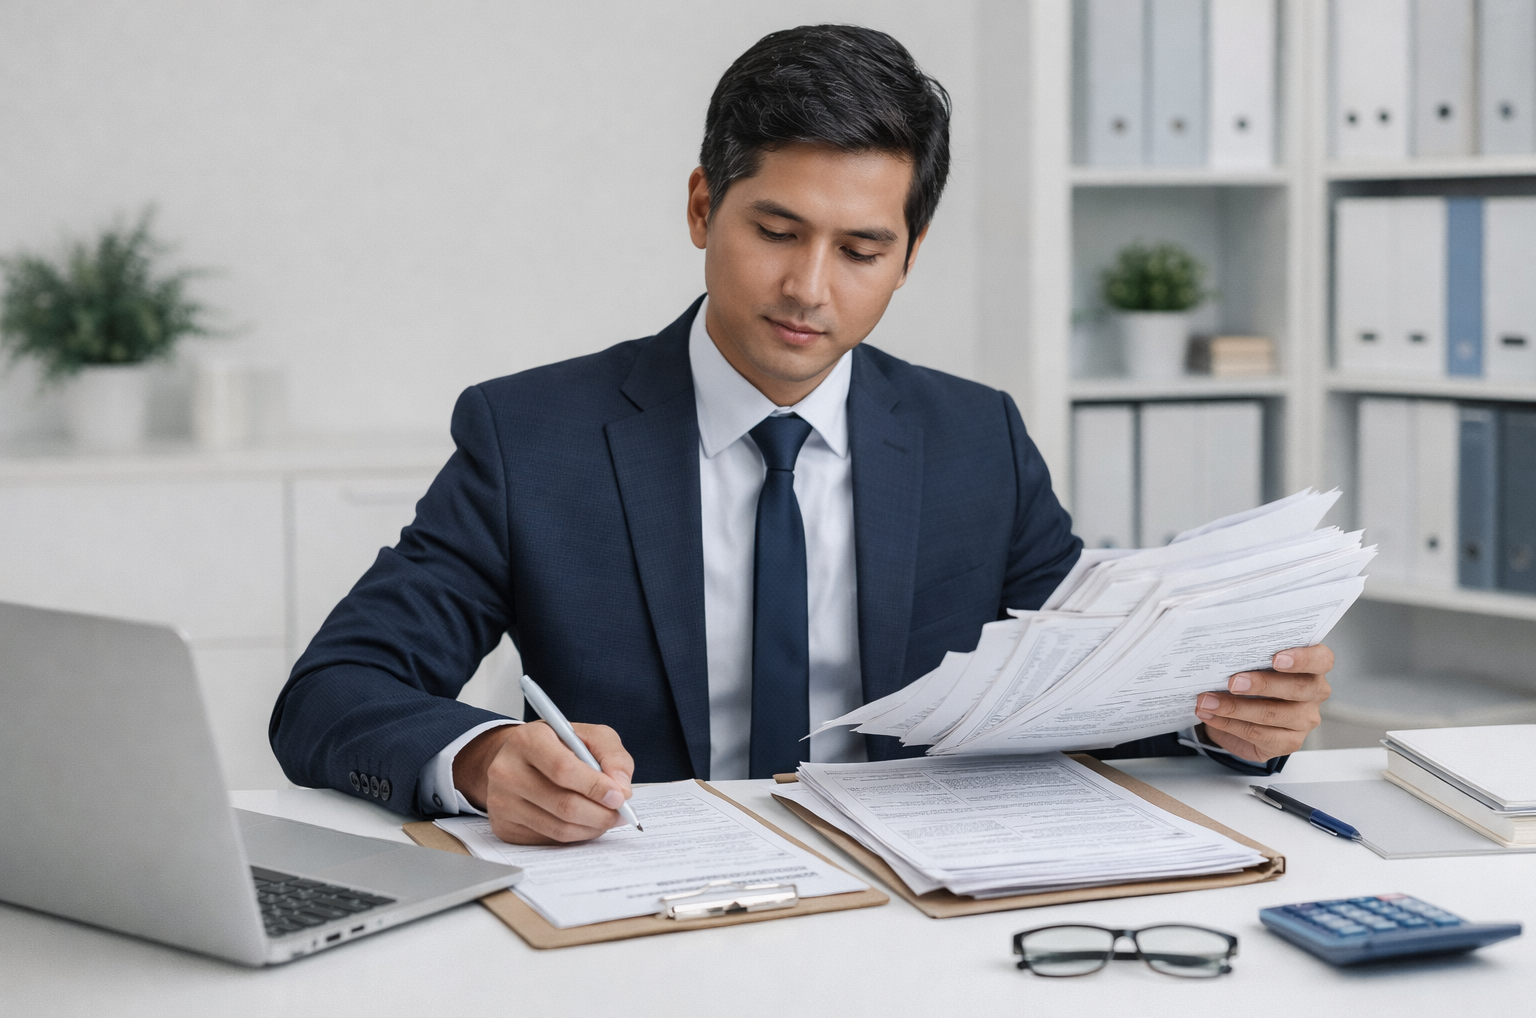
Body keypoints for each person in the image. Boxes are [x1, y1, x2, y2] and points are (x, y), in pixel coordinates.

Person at [269, 25, 1334, 845]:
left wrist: (1222, 716)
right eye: (775, 231)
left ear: (908, 255)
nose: (807, 289)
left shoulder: (977, 439)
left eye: (862, 249)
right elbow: (330, 693)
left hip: (916, 922)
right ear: (702, 207)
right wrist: (485, 757)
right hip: (647, 918)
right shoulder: (531, 437)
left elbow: (1080, 689)